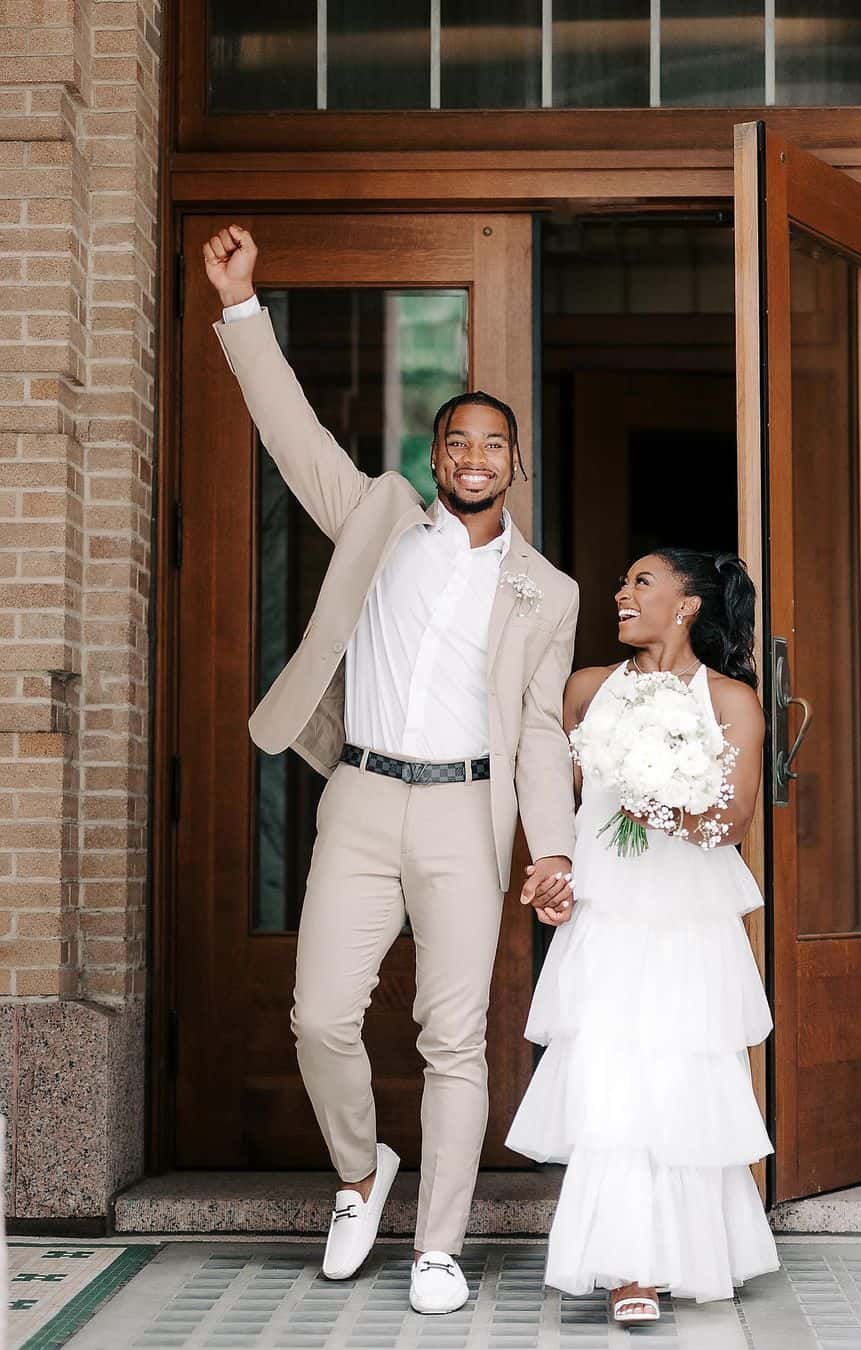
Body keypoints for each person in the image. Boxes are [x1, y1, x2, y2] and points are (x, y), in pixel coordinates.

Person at [202, 224, 578, 1314]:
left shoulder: (547, 593)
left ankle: (439, 1249)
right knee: (320, 1015)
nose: (474, 457)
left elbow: (540, 732)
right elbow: (292, 433)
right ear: (436, 456)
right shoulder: (378, 520)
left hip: (467, 811)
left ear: (516, 465)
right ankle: (364, 1175)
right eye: (458, 441)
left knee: (455, 1039)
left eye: (494, 445)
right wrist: (240, 306)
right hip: (362, 797)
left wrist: (551, 847)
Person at [507, 548, 778, 1322]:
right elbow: (556, 801)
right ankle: (630, 1266)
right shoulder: (587, 689)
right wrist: (553, 873)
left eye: (641, 582)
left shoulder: (729, 699)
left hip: (686, 915)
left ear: (687, 605)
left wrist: (654, 800)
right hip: (608, 909)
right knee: (610, 1077)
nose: (621, 593)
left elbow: (731, 821)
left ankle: (684, 1252)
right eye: (624, 582)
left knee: (679, 1076)